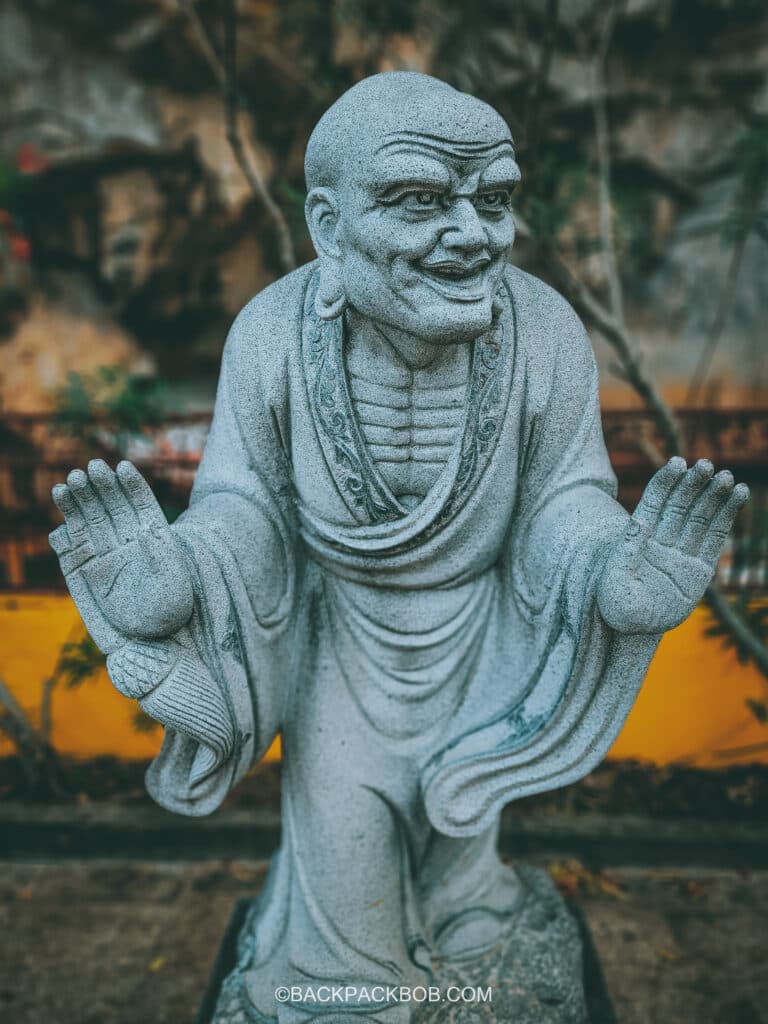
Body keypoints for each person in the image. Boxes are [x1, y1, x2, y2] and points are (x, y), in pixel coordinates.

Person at [49, 73, 749, 1023]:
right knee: (348, 963)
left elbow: (564, 502)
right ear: (330, 228)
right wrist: (181, 573)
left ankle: (465, 900)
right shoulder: (271, 336)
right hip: (344, 647)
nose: (471, 233)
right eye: (420, 201)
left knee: (464, 850)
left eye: (492, 199)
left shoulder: (542, 329)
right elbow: (241, 505)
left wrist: (611, 573)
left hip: (490, 635)